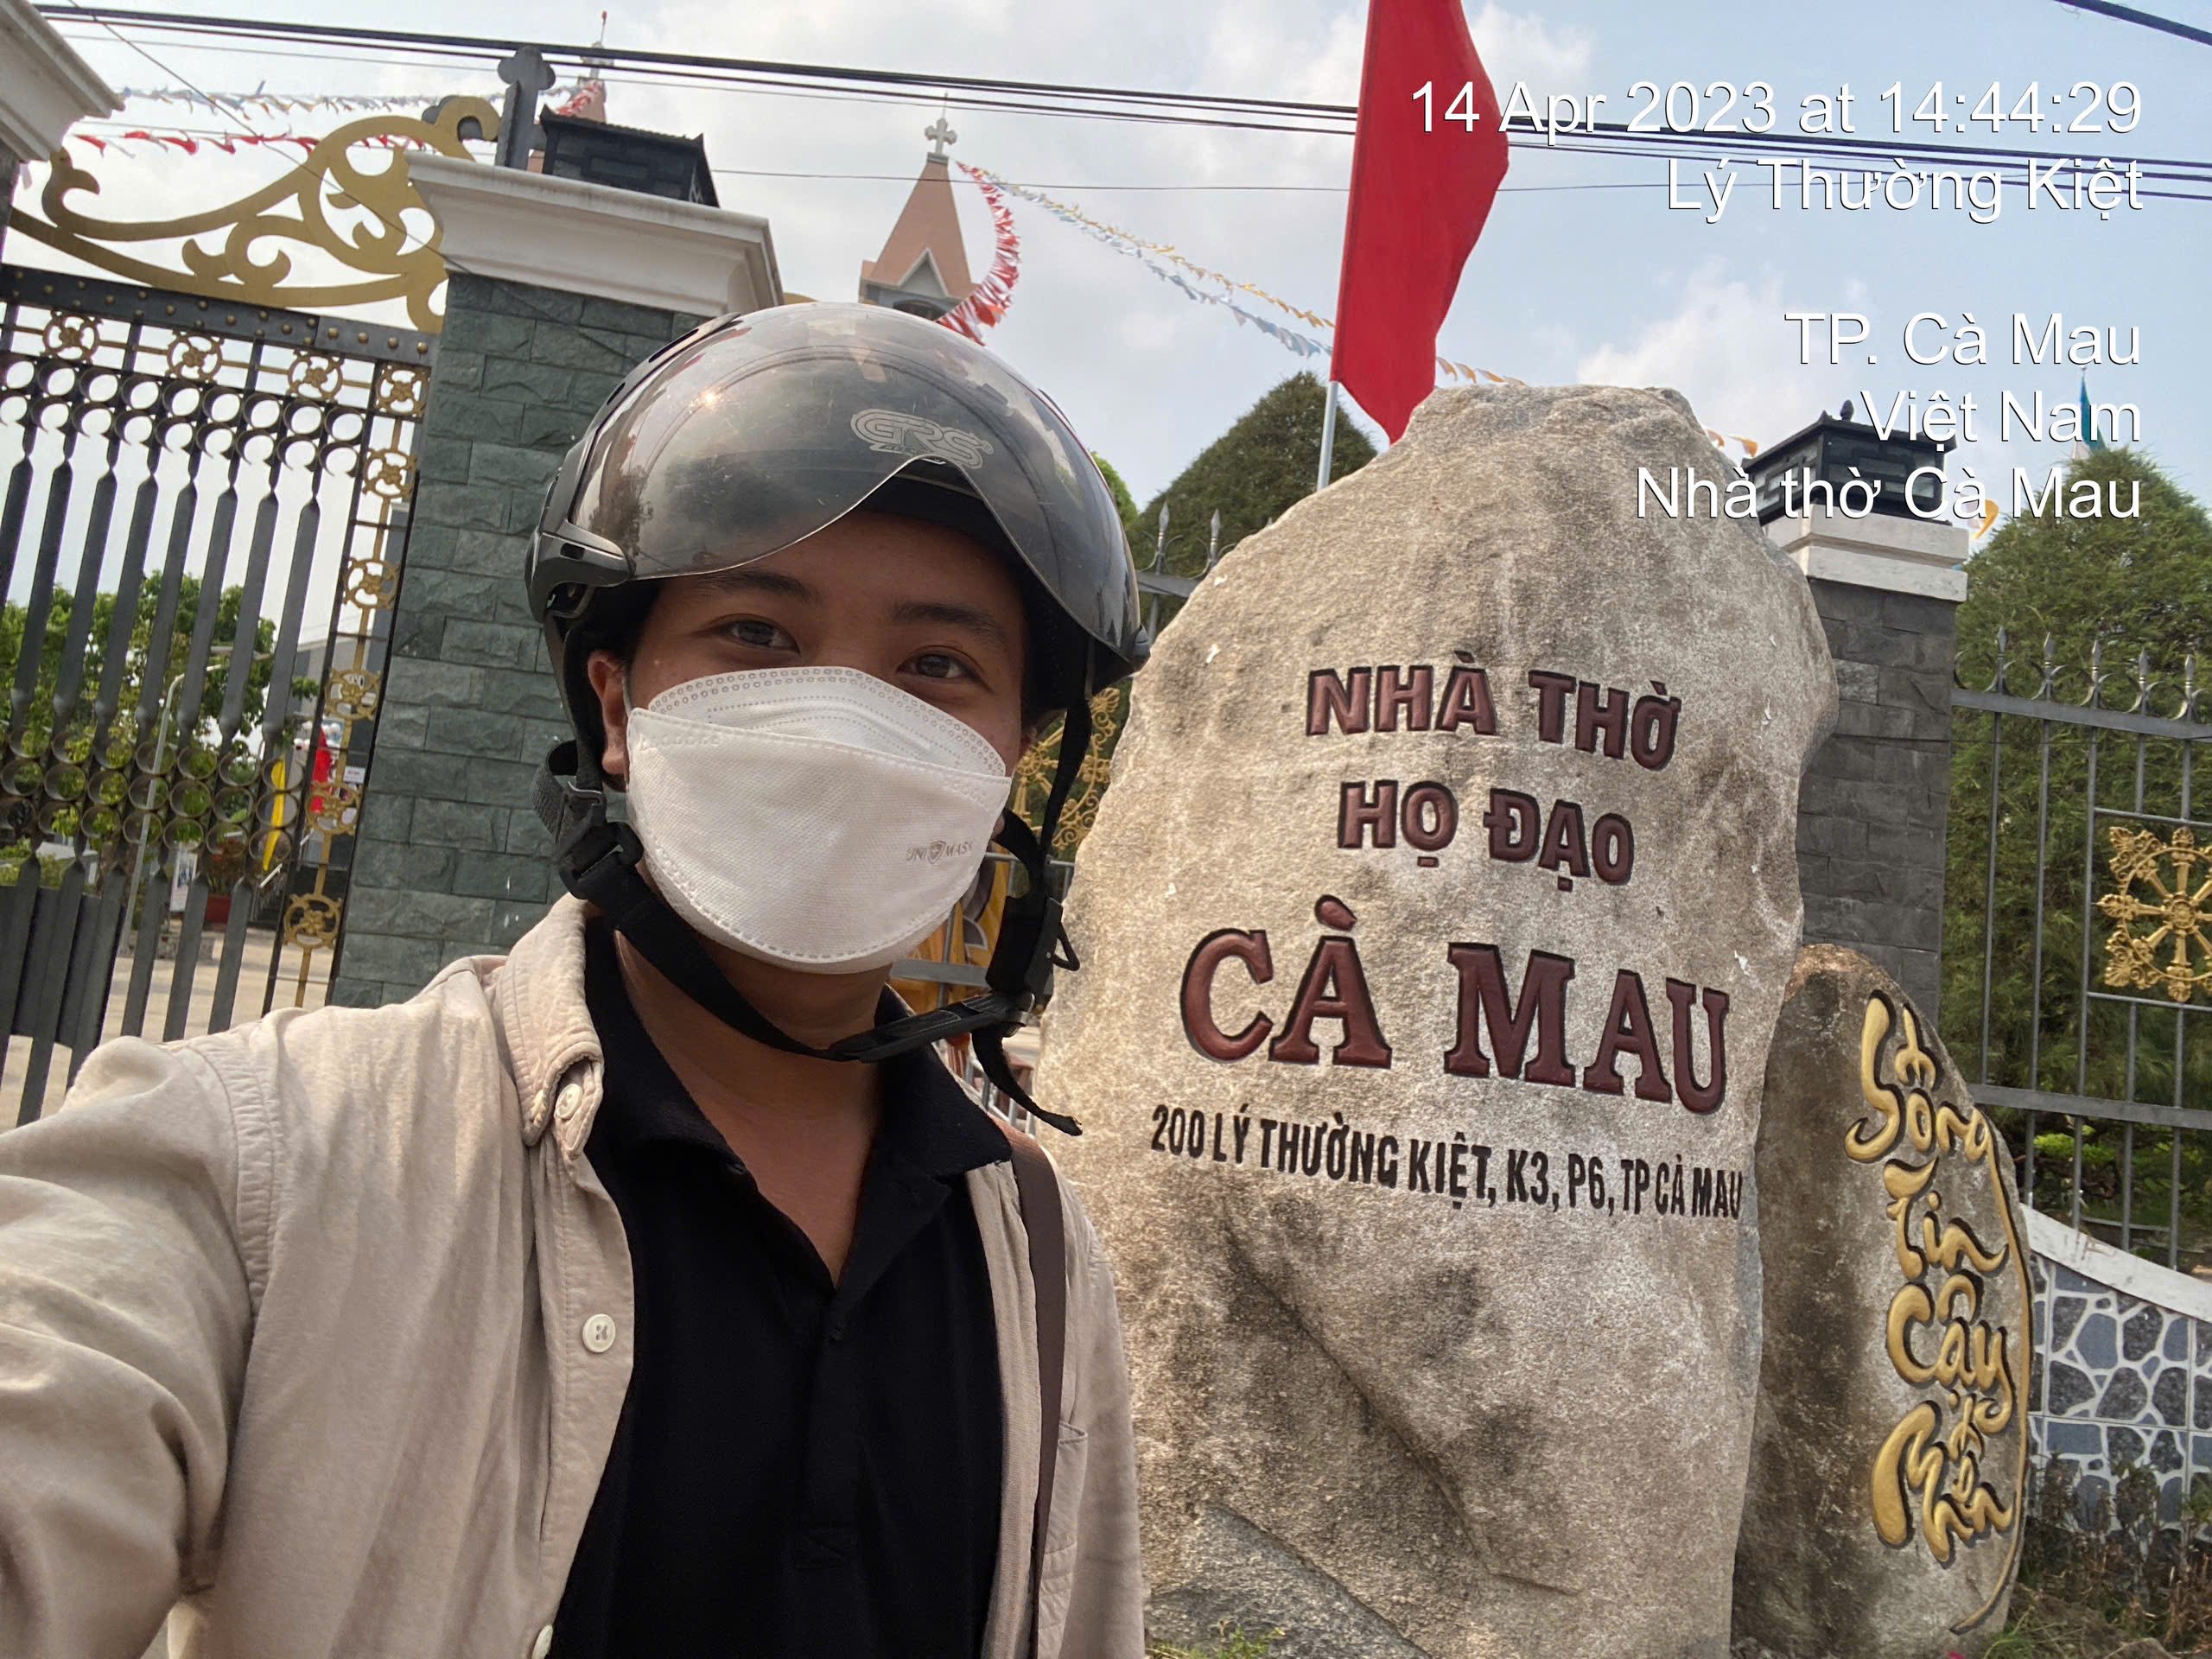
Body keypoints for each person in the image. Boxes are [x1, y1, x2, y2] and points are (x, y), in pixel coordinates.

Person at [0, 303, 1150, 1659]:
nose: (845, 720)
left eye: (938, 667)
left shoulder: (1035, 1251)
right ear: (618, 707)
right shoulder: (271, 1163)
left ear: (1011, 758)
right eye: (758, 635)